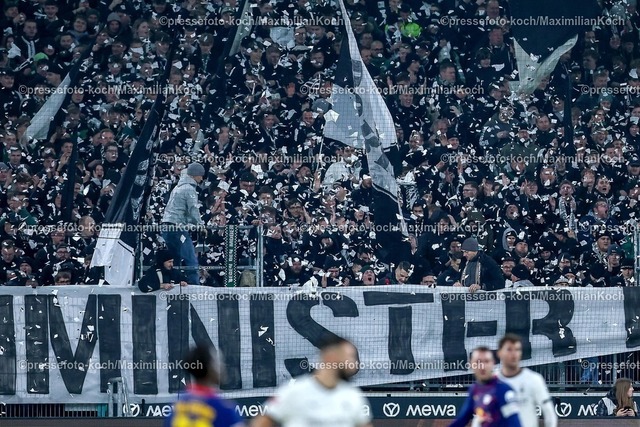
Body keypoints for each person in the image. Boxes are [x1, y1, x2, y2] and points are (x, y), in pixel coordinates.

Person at [251, 336, 372, 427]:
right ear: (330, 356)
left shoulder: (353, 396)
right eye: (350, 356)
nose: (354, 363)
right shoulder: (294, 391)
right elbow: (261, 422)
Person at [164, 345, 244, 427]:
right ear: (209, 367)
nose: (222, 365)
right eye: (218, 362)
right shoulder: (224, 409)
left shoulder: (176, 408)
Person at [449, 346, 521, 427]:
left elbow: (515, 423)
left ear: (493, 363)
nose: (482, 366)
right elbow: (463, 419)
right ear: (471, 364)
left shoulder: (504, 390)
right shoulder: (474, 389)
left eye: (486, 361)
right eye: (478, 362)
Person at [497, 334, 557, 427]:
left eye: (517, 350)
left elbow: (549, 413)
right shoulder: (491, 381)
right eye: (509, 349)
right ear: (499, 353)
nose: (514, 354)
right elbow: (482, 415)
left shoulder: (534, 379)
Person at [162, 163, 206, 285]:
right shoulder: (189, 189)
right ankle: (195, 286)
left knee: (175, 260)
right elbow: (193, 209)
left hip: (166, 227)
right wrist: (200, 226)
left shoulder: (177, 187)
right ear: (195, 175)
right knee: (190, 258)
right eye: (200, 175)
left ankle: (175, 284)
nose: (201, 178)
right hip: (177, 227)